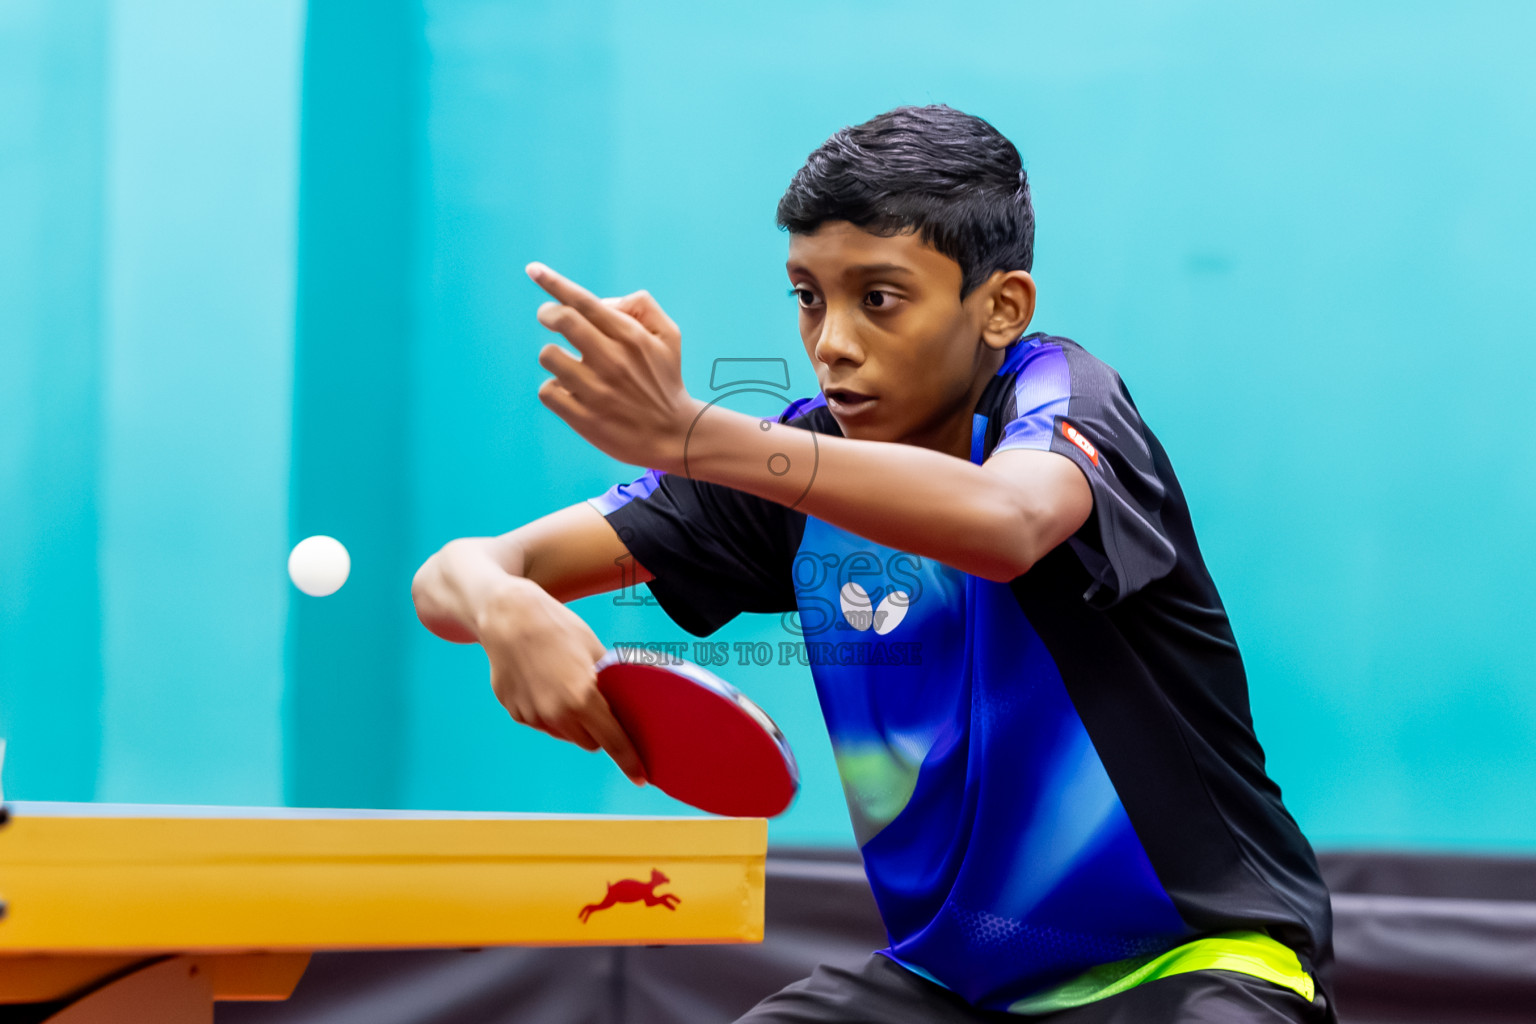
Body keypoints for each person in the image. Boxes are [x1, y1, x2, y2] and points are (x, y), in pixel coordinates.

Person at [411, 105, 1334, 1023]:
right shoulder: (785, 465)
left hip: (1189, 964)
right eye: (808, 297)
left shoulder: (1061, 397)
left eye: (879, 299)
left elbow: (1007, 523)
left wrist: (696, 433)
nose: (833, 343)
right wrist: (503, 605)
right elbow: (455, 576)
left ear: (1002, 308)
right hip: (952, 988)